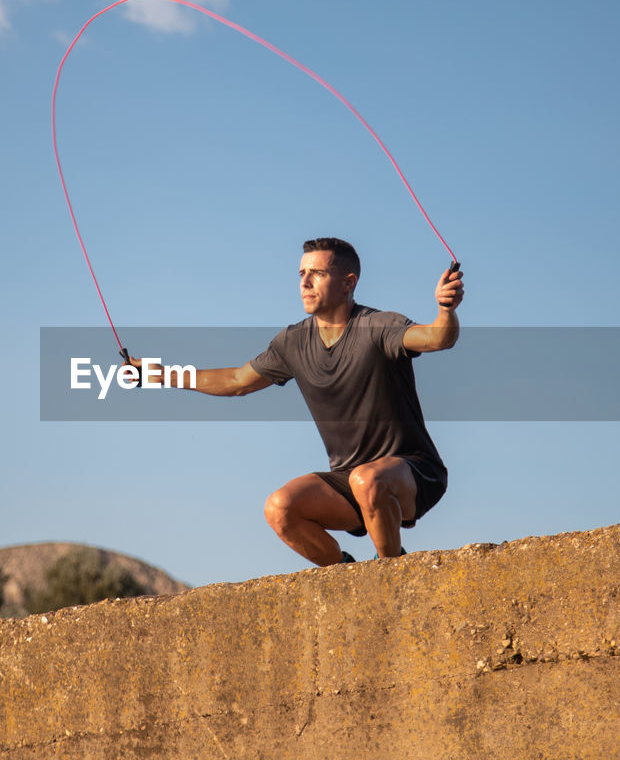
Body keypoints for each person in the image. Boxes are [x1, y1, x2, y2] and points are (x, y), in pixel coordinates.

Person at [130, 237, 463, 565]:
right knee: (280, 508)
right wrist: (162, 375)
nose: (305, 282)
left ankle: (391, 575)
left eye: (317, 273)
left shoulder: (377, 326)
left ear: (349, 283)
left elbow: (438, 337)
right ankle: (344, 576)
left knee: (368, 480)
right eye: (301, 273)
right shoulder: (293, 342)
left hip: (414, 472)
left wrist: (445, 310)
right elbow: (236, 381)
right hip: (349, 480)